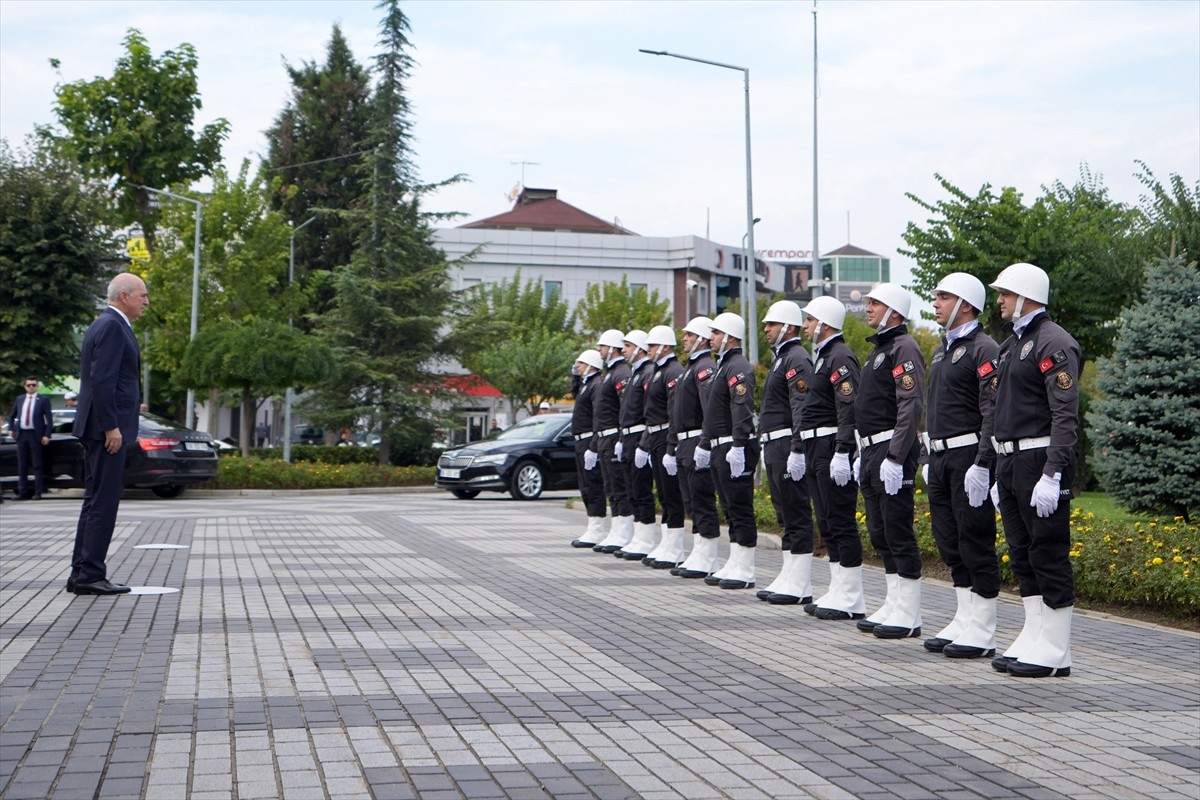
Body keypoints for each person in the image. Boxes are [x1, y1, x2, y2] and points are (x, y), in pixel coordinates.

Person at [988, 263, 1080, 678]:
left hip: (1039, 460)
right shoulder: (1011, 345)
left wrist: (1053, 472)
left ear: (1027, 295)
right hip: (1010, 461)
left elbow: (1065, 416)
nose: (1000, 300)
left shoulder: (1053, 342)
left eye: (1006, 293)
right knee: (1023, 553)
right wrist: (991, 467)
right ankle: (1035, 633)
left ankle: (1057, 648)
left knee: (1048, 551)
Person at [921, 273, 1002, 659]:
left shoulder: (984, 349)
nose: (935, 303)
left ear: (966, 304)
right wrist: (926, 456)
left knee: (975, 539)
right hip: (941, 456)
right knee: (949, 541)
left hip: (969, 455)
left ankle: (984, 627)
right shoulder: (942, 349)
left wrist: (984, 462)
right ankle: (964, 616)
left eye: (944, 297)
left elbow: (991, 410)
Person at [851, 283, 926, 639]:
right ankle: (894, 601)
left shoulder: (904, 347)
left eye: (875, 303)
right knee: (881, 531)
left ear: (894, 311)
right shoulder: (881, 349)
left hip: (890, 449)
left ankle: (909, 612)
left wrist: (895, 456)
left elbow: (909, 405)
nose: (868, 308)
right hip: (871, 450)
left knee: (897, 528)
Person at [69, 273, 149, 596]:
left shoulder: (104, 324)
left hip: (97, 427)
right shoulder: (113, 327)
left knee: (93, 500)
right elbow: (102, 381)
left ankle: (81, 572)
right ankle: (90, 574)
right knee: (103, 501)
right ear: (125, 296)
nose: (146, 301)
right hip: (104, 430)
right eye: (143, 295)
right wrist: (111, 425)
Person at [800, 297, 866, 620]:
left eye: (810, 320)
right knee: (826, 522)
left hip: (830, 445)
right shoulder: (822, 357)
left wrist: (842, 450)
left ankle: (852, 596)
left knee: (840, 520)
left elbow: (848, 407)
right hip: (815, 445)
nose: (805, 326)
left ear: (825, 323)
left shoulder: (839, 356)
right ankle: (838, 587)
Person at [755, 302, 817, 605]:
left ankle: (801, 582)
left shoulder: (796, 358)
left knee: (796, 511)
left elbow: (800, 408)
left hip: (785, 443)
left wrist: (797, 448)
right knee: (784, 513)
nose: (766, 329)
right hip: (775, 443)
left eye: (772, 324)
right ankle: (789, 574)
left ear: (788, 327)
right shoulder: (783, 359)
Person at [697, 312, 759, 590]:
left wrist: (738, 444)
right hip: (721, 445)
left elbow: (742, 407)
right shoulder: (725, 365)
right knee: (729, 506)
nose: (711, 338)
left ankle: (745, 567)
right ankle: (735, 560)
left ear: (730, 336)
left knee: (740, 506)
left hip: (734, 445)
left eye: (716, 333)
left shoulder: (738, 366)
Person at [670, 317, 723, 579]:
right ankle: (699, 551)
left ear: (702, 339)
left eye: (690, 334)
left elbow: (708, 410)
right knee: (691, 500)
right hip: (685, 441)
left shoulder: (704, 367)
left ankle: (709, 556)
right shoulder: (692, 367)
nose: (685, 338)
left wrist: (704, 442)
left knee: (702, 499)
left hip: (696, 440)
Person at [638, 325, 686, 568]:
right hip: (655, 436)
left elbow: (673, 411)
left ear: (665, 346)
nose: (649, 350)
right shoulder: (657, 371)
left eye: (653, 346)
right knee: (664, 495)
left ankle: (675, 547)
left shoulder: (673, 371)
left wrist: (671, 446)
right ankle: (667, 543)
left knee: (672, 494)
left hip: (667, 434)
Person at [611, 330, 659, 559]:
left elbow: (650, 413)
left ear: (639, 348)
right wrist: (622, 439)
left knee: (641, 491)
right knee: (631, 489)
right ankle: (638, 537)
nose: (624, 351)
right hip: (629, 437)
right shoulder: (635, 373)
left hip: (640, 436)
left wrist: (644, 444)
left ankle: (646, 539)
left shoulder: (647, 372)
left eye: (628, 346)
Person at [586, 329, 635, 553]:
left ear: (612, 348)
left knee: (619, 485)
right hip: (605, 438)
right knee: (611, 486)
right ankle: (616, 530)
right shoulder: (610, 373)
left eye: (602, 347)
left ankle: (623, 532)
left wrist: (621, 437)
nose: (599, 350)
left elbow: (625, 408)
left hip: (615, 435)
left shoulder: (622, 373)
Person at [568, 349, 610, 548]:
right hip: (580, 440)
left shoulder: (596, 385)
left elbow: (597, 417)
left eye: (581, 364)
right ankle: (592, 524)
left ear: (592, 365)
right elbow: (575, 393)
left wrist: (593, 446)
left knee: (593, 485)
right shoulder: (586, 385)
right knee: (585, 485)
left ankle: (598, 528)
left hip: (588, 439)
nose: (578, 367)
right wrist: (575, 377)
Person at [8, 376, 53, 500]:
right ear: (25, 387)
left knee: (37, 464)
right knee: (22, 464)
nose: (31, 387)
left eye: (34, 385)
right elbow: (11, 416)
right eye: (29, 385)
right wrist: (11, 429)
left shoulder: (43, 400)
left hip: (36, 434)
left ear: (37, 386)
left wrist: (47, 435)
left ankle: (38, 491)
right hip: (22, 434)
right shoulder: (20, 399)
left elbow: (49, 419)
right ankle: (22, 492)